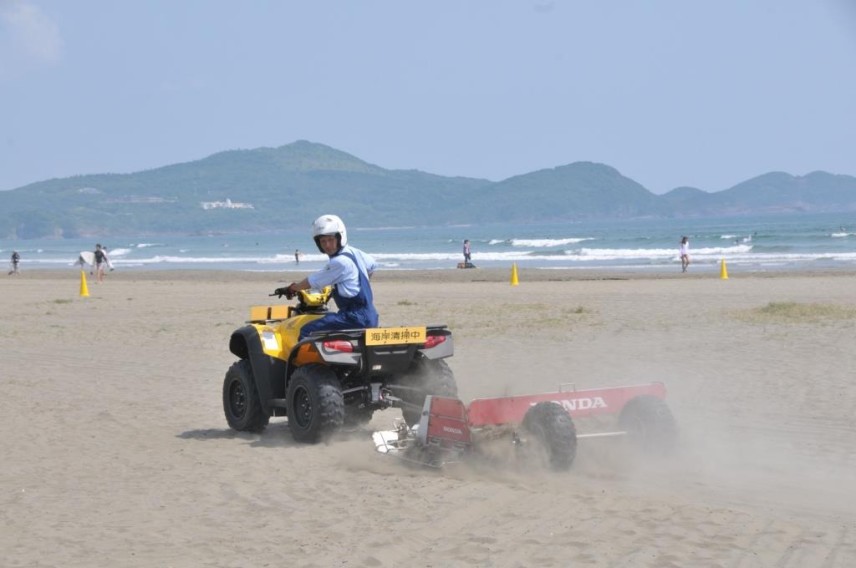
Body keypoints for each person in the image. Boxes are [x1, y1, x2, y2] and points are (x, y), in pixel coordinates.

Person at [280, 215, 379, 339]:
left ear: (339, 238)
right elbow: (372, 265)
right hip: (370, 315)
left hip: (353, 317)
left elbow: (312, 281)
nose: (327, 245)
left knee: (307, 331)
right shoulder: (354, 252)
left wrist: (293, 288)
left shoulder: (339, 262)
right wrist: (356, 284)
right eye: (323, 241)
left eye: (330, 240)